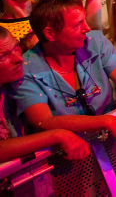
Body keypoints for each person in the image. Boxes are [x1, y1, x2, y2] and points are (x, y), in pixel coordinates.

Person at [12, 0, 116, 155]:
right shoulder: (26, 68)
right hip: (66, 158)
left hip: (114, 144)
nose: (87, 28)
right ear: (50, 33)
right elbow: (44, 120)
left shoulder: (95, 42)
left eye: (84, 20)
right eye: (77, 25)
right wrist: (105, 121)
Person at [0, 26, 91, 162]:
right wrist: (56, 135)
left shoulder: (15, 81)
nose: (18, 58)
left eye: (16, 47)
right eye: (3, 56)